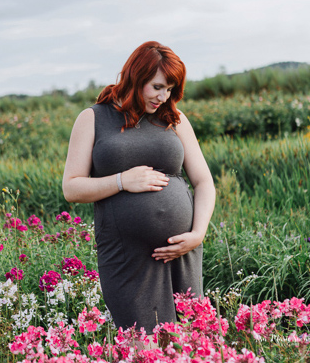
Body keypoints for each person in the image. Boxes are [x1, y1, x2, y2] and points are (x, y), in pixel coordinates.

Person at [62, 41, 215, 334]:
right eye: (157, 86)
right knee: (141, 350)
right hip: (127, 258)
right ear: (136, 76)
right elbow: (71, 188)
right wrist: (122, 181)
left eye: (170, 89)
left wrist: (197, 235)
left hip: (181, 252)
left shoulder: (175, 119)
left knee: (189, 345)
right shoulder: (93, 118)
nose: (163, 96)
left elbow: (204, 181)